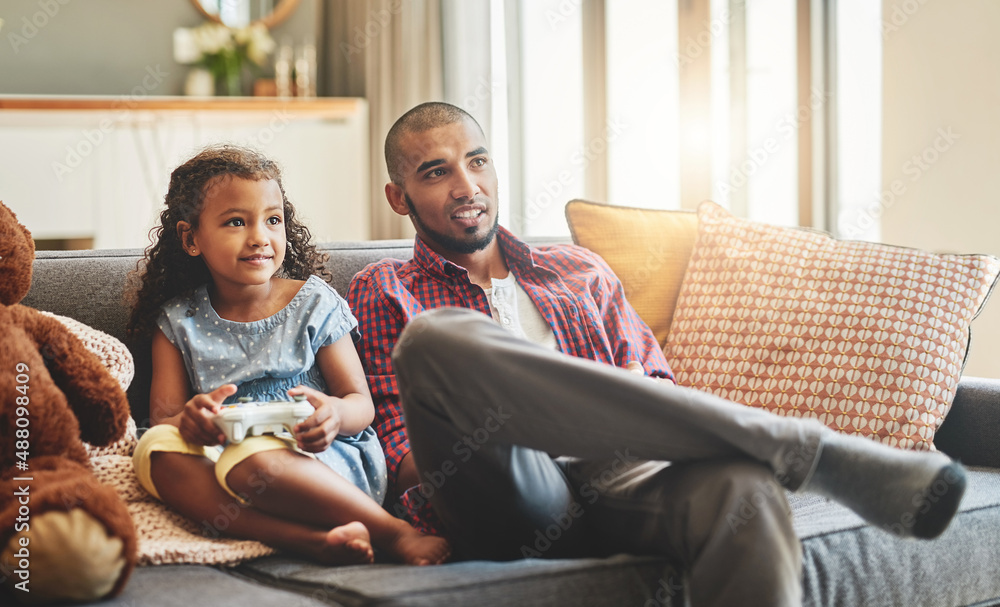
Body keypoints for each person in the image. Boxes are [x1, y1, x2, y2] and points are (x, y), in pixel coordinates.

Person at [346, 102, 967, 606]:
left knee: (742, 486)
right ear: (398, 198)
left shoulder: (580, 270)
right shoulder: (384, 287)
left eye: (477, 162)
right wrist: (514, 414)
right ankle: (809, 449)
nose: (467, 186)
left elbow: (658, 387)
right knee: (437, 340)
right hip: (505, 488)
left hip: (623, 471)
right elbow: (399, 456)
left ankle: (779, 454)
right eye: (436, 172)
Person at [126, 145, 450, 567]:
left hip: (320, 456)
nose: (260, 236)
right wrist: (192, 421)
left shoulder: (313, 302)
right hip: (225, 459)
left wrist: (333, 414)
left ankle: (391, 531)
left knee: (251, 460)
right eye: (236, 222)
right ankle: (308, 540)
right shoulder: (177, 321)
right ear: (191, 238)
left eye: (272, 220)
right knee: (153, 449)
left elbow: (360, 403)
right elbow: (166, 419)